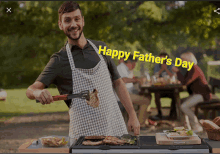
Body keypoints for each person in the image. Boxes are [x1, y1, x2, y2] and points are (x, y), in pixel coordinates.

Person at [26, 1, 140, 141]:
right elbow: (30, 90)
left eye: (77, 19)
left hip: (114, 129)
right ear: (60, 25)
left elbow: (118, 83)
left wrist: (133, 115)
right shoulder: (59, 60)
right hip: (83, 138)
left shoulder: (101, 48)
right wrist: (38, 92)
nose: (73, 24)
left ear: (83, 21)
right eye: (67, 20)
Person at [172, 52, 212, 132]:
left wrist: (177, 72)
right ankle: (186, 126)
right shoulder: (191, 68)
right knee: (180, 101)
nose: (182, 61)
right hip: (197, 94)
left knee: (184, 106)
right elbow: (185, 81)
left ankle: (196, 126)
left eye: (183, 59)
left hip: (202, 95)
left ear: (188, 60)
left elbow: (185, 82)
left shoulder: (194, 68)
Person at [116, 55, 153, 130]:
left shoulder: (126, 69)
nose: (134, 66)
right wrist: (137, 80)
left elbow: (130, 79)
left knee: (148, 96)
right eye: (134, 64)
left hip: (128, 93)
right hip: (122, 96)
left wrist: (137, 79)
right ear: (129, 62)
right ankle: (140, 125)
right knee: (145, 101)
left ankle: (144, 121)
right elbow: (124, 80)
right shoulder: (121, 67)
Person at [153, 52, 177, 120]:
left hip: (170, 89)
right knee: (156, 95)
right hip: (160, 89)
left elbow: (173, 76)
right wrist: (162, 69)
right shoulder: (157, 66)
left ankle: (172, 114)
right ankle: (159, 113)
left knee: (175, 95)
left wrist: (166, 69)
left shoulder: (171, 65)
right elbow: (155, 76)